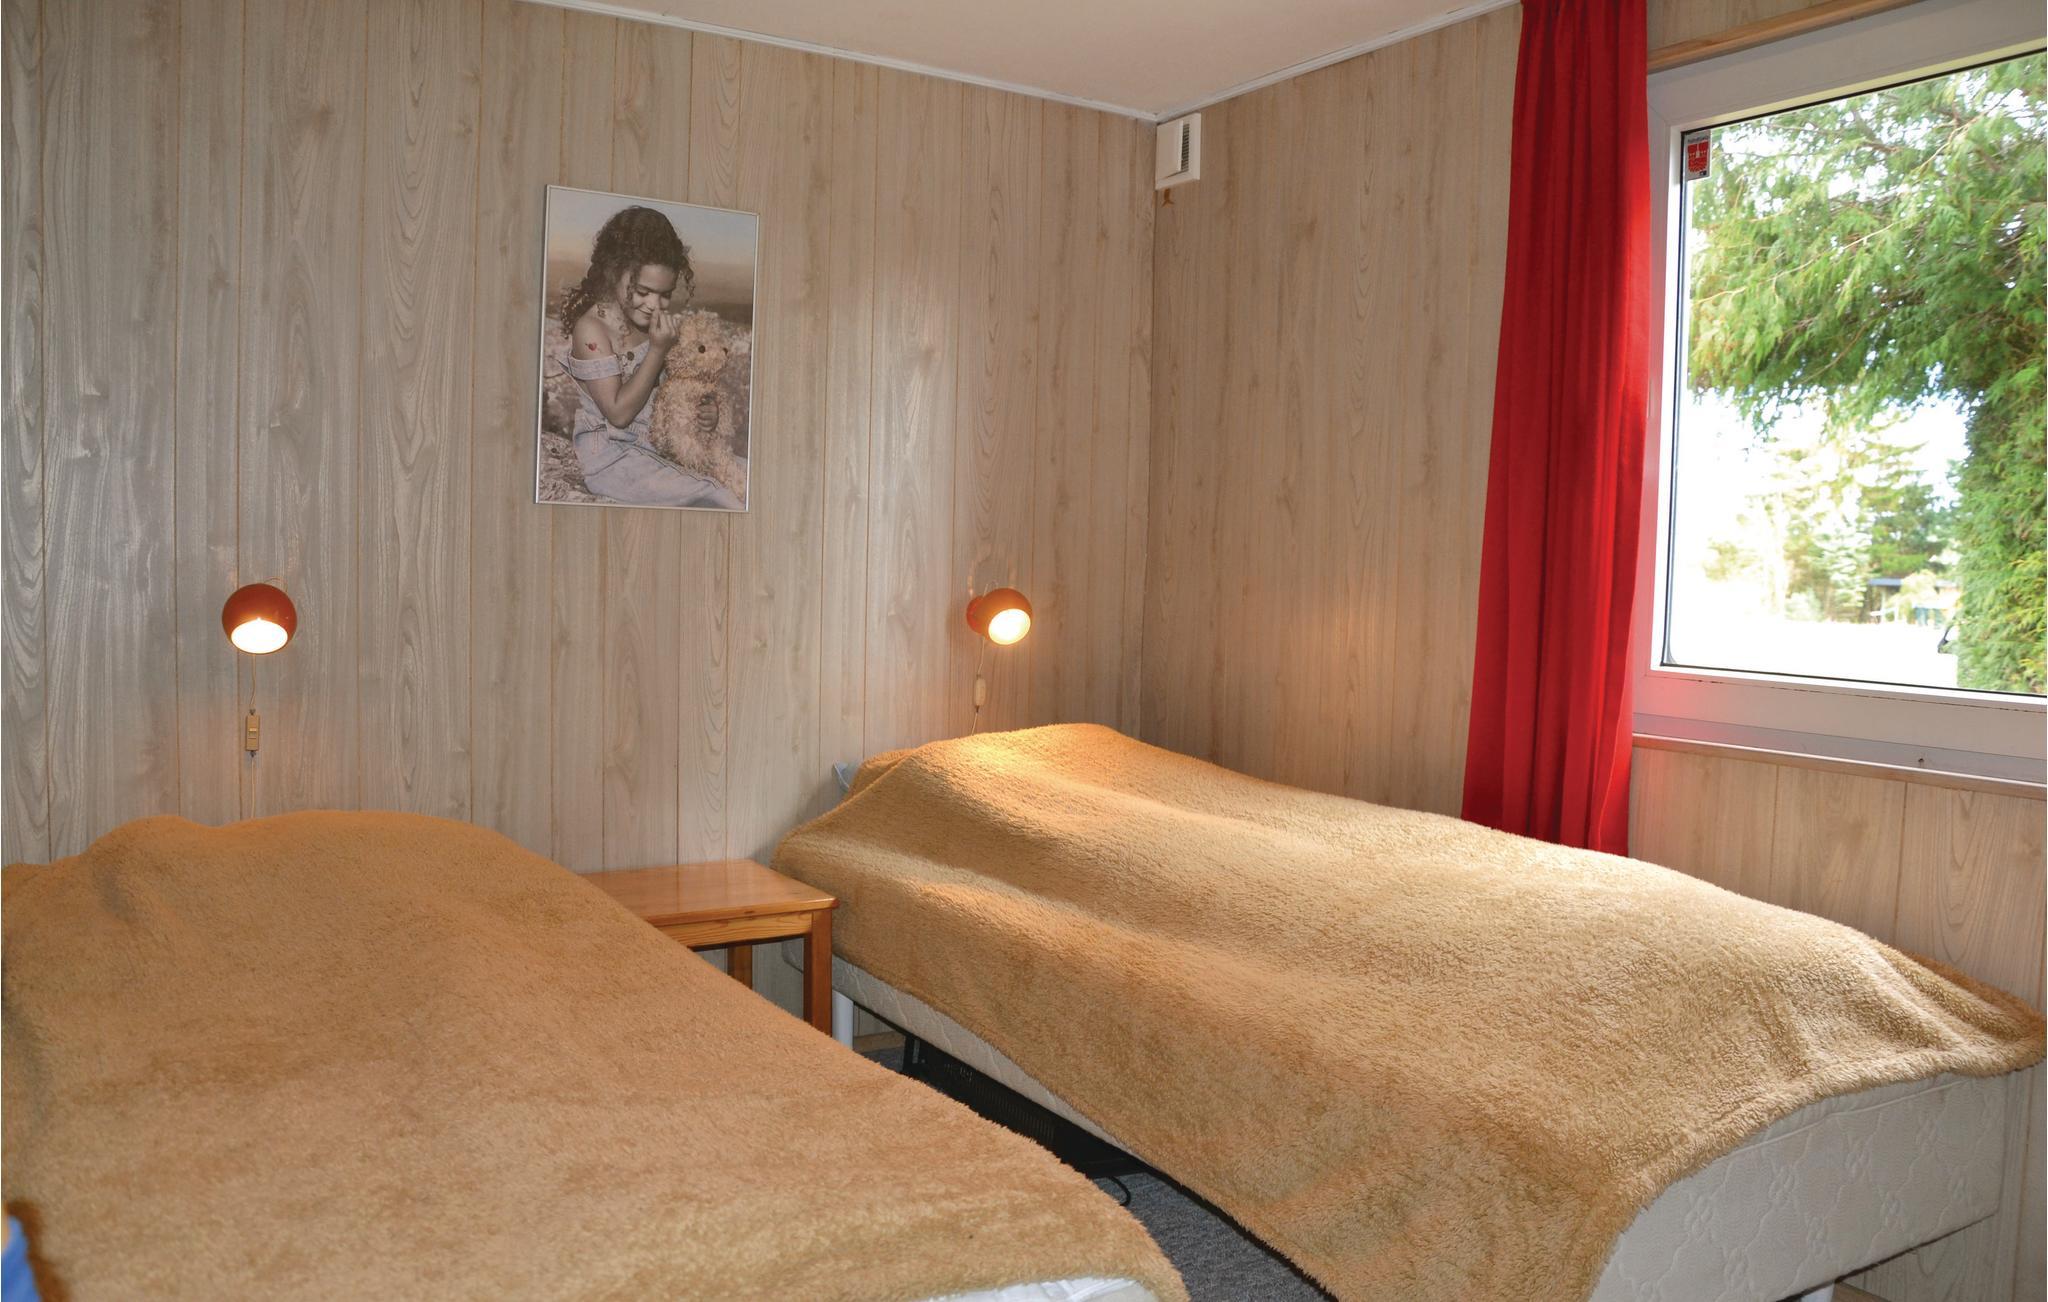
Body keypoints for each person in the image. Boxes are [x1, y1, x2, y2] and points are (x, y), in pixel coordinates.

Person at [555, 206, 740, 509]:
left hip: (659, 448)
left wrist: (706, 414)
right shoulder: (592, 329)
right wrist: (656, 350)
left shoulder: (650, 325)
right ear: (613, 273)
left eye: (665, 294)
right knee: (717, 496)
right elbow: (618, 414)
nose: (655, 304)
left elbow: (677, 386)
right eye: (643, 291)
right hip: (613, 459)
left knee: (745, 476)